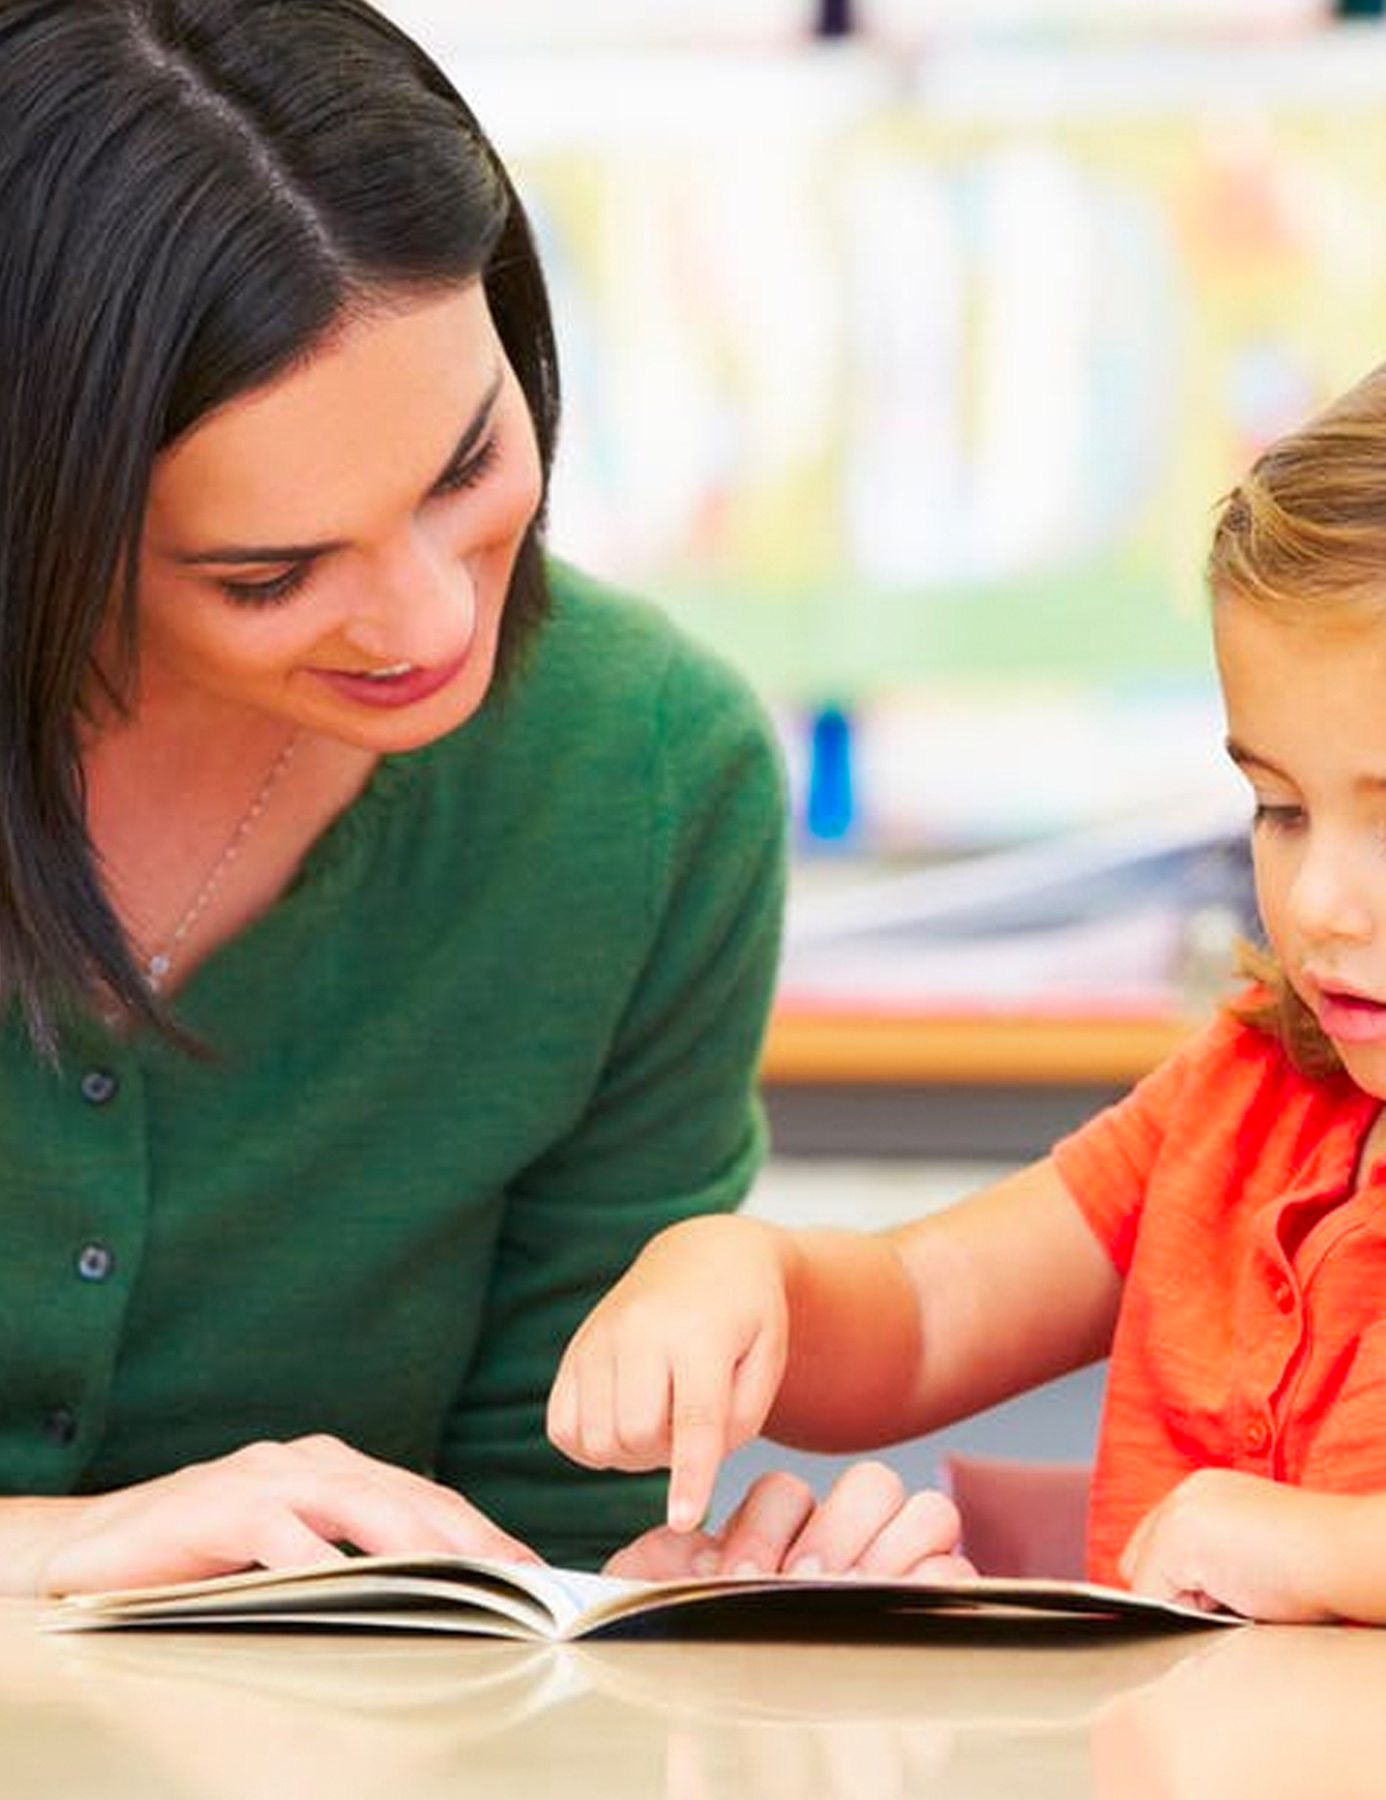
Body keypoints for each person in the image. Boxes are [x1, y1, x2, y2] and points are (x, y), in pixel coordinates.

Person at [552, 311, 1386, 1638]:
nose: (1318, 903)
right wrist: (742, 1279)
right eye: (1277, 809)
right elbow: (924, 1315)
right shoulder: (1250, 1089)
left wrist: (1326, 1554)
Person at [0, 0, 951, 1600]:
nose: (436, 625)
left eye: (466, 468)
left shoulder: (643, 772)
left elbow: (538, 1537)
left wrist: (682, 1595)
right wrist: (64, 1552)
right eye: (271, 572)